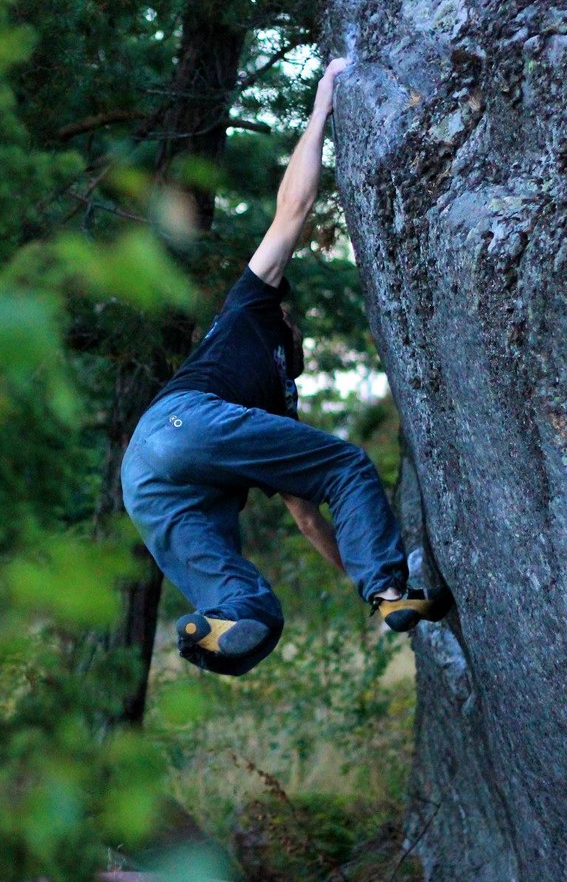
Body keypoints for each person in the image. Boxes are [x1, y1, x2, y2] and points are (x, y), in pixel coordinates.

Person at [120, 57, 451, 677]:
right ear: (286, 312)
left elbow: (307, 516)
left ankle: (203, 633)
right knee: (347, 465)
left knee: (254, 615)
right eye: (298, 324)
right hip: (185, 422)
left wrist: (369, 588)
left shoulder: (277, 403)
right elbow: (292, 209)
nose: (300, 336)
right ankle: (388, 590)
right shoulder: (252, 305)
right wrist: (322, 105)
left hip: (145, 475)